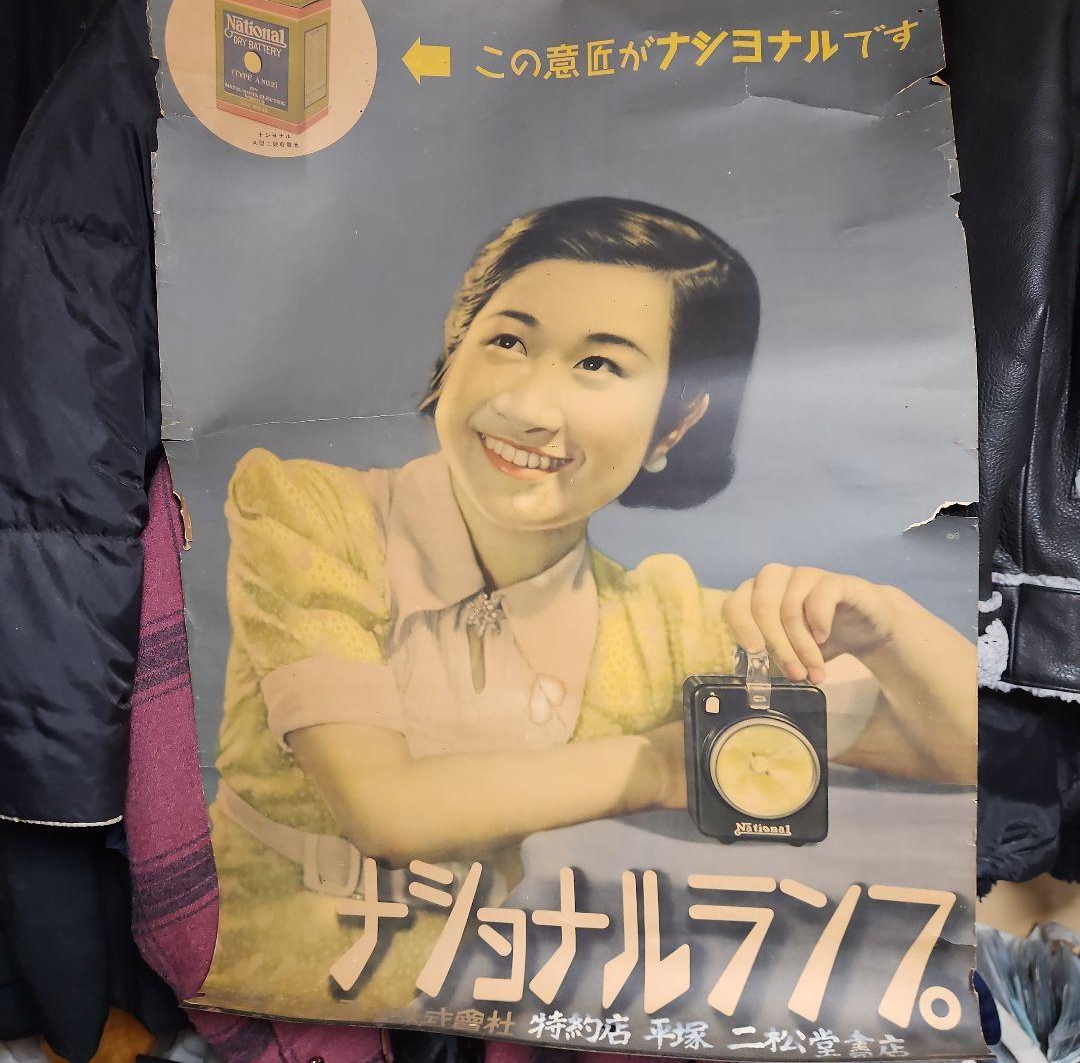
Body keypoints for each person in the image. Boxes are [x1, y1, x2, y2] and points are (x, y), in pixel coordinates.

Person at [198, 197, 977, 1019]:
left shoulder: (661, 623)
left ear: (677, 421)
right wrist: (667, 765)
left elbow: (961, 750)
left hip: (490, 1004)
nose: (528, 407)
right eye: (507, 341)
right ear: (456, 344)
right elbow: (383, 811)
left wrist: (890, 627)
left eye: (599, 365)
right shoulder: (313, 514)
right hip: (274, 998)